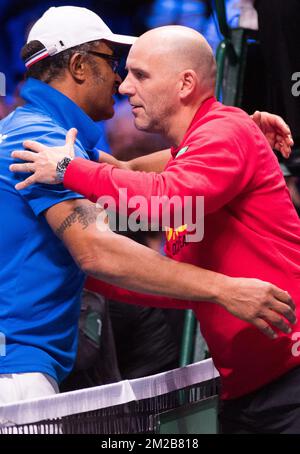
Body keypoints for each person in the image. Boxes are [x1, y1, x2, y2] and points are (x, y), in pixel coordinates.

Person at [13, 24, 300, 433]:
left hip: (291, 378)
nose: (124, 86)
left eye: (140, 75)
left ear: (185, 83)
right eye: (124, 72)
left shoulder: (224, 131)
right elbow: (126, 175)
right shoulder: (200, 147)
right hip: (246, 392)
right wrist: (80, 270)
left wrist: (67, 168)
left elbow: (166, 200)